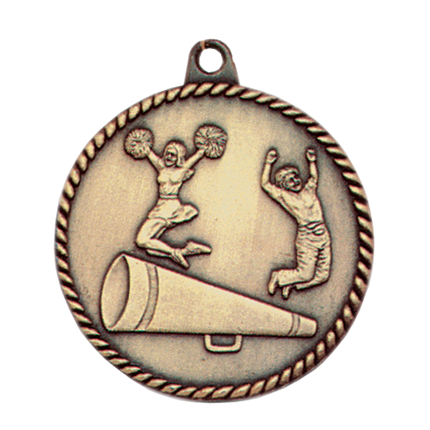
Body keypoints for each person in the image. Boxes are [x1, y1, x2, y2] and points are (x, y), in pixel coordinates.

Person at [261, 148, 331, 299]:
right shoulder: (284, 196)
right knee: (306, 274)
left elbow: (314, 177)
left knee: (322, 276)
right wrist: (268, 163)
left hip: (323, 234)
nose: (296, 181)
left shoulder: (308, 190)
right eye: (290, 180)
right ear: (284, 185)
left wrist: (312, 161)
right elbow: (265, 184)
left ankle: (291, 285)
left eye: (296, 177)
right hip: (307, 237)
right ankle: (279, 277)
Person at [135, 140, 211, 268]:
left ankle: (174, 253)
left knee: (141, 240)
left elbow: (195, 158)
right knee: (151, 249)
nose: (169, 157)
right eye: (167, 153)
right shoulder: (162, 168)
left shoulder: (181, 170)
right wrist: (144, 147)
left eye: (173, 155)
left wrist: (202, 150)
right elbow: (151, 155)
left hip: (169, 208)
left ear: (178, 158)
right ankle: (186, 251)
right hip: (160, 206)